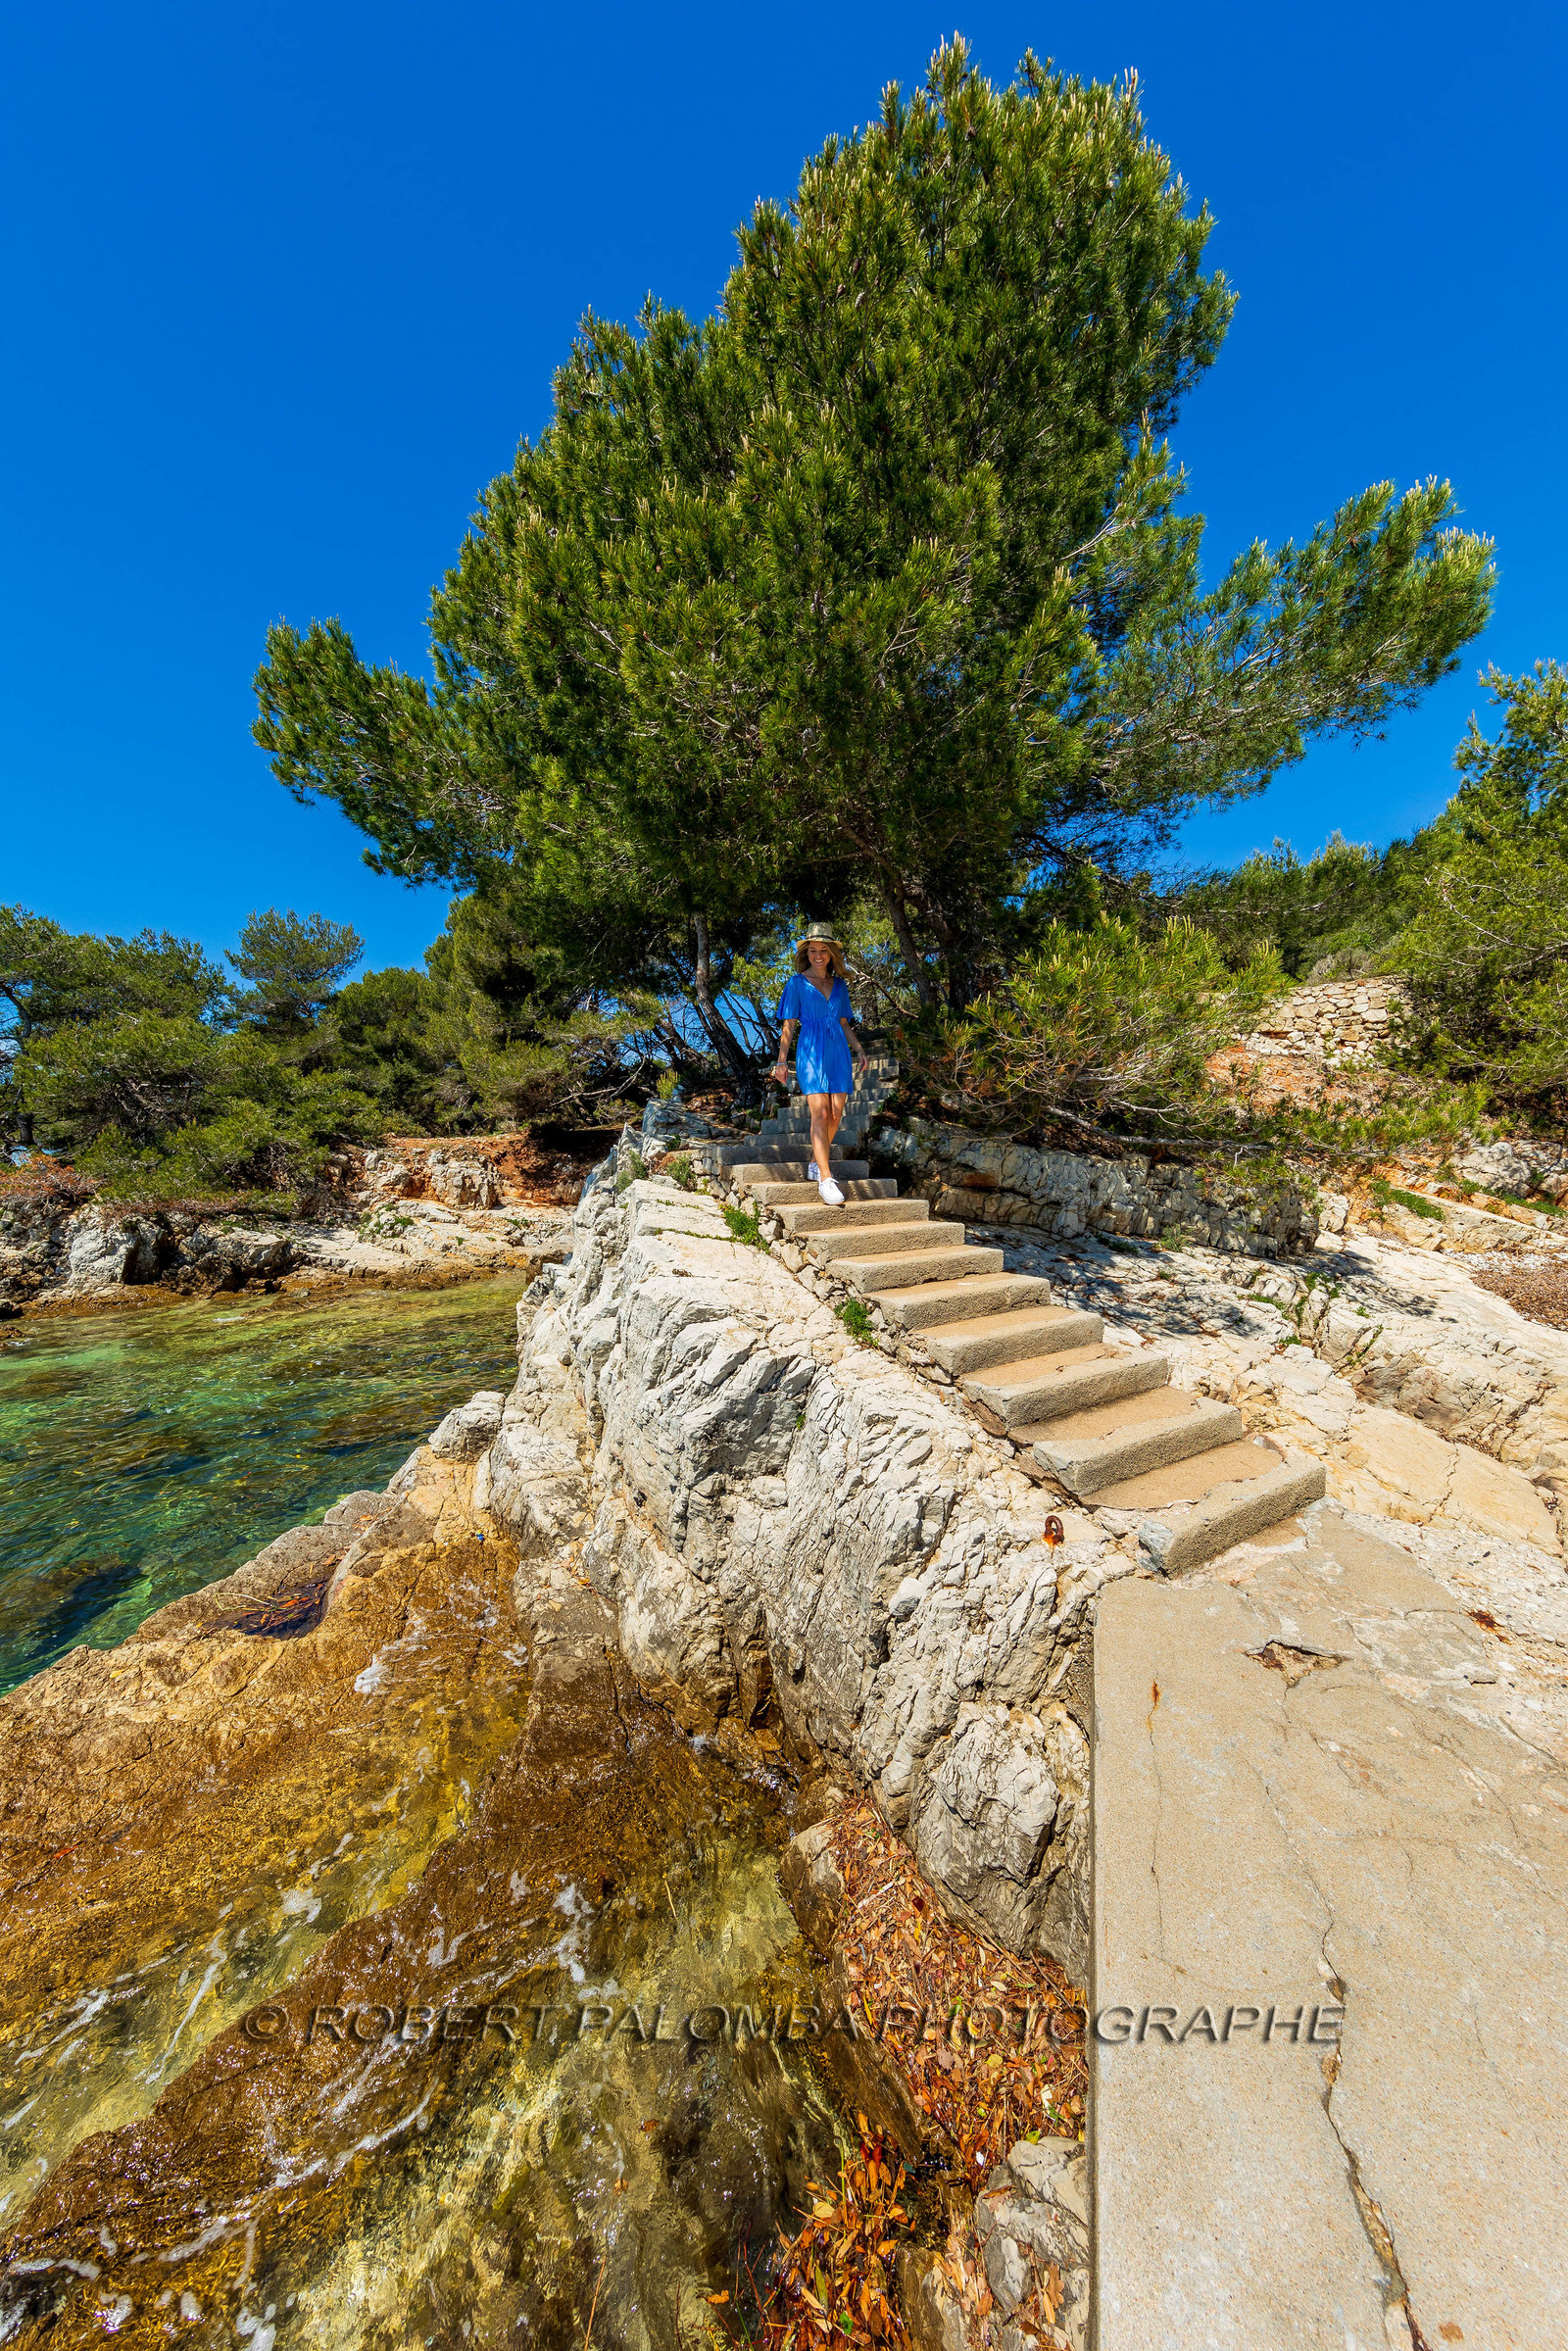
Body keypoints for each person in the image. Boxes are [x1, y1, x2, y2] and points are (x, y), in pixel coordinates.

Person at [771, 923, 868, 1205]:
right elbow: (788, 1025)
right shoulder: (796, 983)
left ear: (831, 953)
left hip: (837, 1050)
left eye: (823, 950)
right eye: (813, 950)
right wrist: (781, 1061)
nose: (818, 955)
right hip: (810, 1051)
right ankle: (826, 1179)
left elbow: (843, 1022)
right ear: (806, 953)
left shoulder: (840, 985)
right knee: (821, 1113)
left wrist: (859, 1049)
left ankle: (816, 1161)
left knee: (836, 1114)